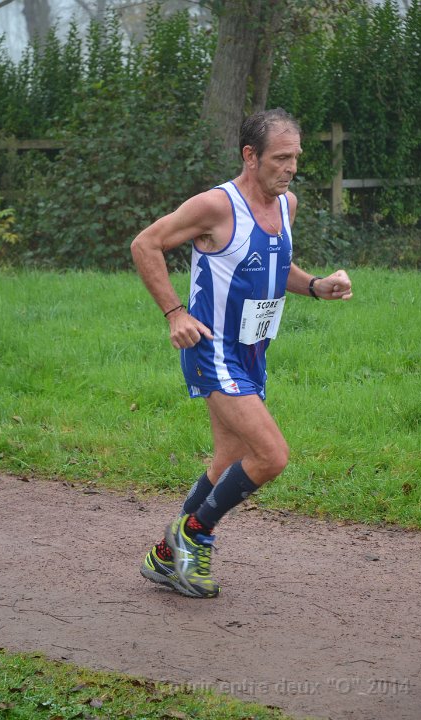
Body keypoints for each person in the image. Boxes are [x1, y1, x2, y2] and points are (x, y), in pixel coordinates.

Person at [131, 108, 352, 599]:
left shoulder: (287, 205)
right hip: (212, 349)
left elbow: (275, 265)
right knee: (270, 455)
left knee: (229, 459)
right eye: (280, 158)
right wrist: (175, 313)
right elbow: (146, 244)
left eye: (295, 157)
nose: (290, 168)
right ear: (250, 156)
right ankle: (193, 536)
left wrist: (316, 286)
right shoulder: (216, 205)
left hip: (253, 352)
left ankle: (165, 557)